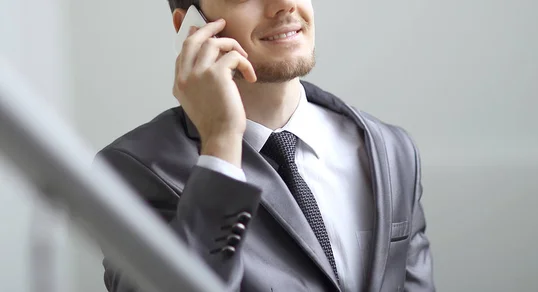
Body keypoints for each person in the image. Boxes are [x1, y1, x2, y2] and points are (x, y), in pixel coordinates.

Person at [96, 0, 435, 291]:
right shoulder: (131, 170)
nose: (283, 5)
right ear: (190, 26)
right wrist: (221, 141)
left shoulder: (390, 150)